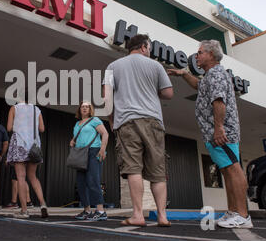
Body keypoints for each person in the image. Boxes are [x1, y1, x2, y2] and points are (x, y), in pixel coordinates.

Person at [168, 40, 253, 229]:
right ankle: (233, 212)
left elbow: (219, 101)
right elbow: (199, 86)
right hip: (214, 133)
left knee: (233, 169)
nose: (196, 56)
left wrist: (219, 128)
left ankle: (243, 215)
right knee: (226, 171)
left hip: (223, 132)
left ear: (211, 55)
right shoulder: (209, 76)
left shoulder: (216, 74)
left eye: (199, 53)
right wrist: (184, 74)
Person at [103, 34, 173, 227]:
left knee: (133, 168)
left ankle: (137, 215)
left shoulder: (112, 67)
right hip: (154, 122)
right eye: (148, 47)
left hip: (127, 121)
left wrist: (112, 121)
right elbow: (168, 93)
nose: (149, 51)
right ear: (143, 47)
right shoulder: (156, 66)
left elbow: (106, 98)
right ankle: (162, 216)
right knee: (158, 171)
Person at [6, 97, 48, 219]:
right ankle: (43, 204)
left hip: (20, 143)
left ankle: (24, 210)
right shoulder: (37, 109)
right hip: (33, 146)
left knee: (21, 178)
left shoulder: (14, 108)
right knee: (33, 177)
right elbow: (42, 129)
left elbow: (9, 128)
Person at [70, 101, 109, 221]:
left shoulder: (95, 120)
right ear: (79, 109)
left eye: (87, 106)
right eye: (82, 106)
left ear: (90, 109)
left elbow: (105, 134)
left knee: (93, 181)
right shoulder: (77, 124)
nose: (85, 108)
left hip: (94, 151)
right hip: (81, 154)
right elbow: (78, 136)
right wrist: (72, 141)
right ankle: (87, 210)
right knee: (81, 183)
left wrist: (102, 149)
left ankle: (101, 211)